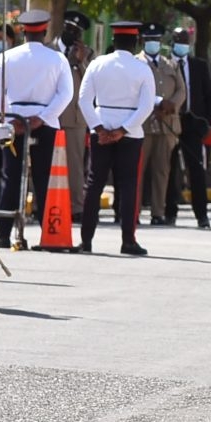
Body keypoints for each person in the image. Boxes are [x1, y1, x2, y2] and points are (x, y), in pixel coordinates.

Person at [0, 8, 73, 247]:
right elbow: (66, 93)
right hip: (45, 123)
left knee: (11, 177)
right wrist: (43, 117)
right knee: (45, 179)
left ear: (23, 31)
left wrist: (11, 117)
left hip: (15, 121)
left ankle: (3, 233)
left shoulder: (8, 56)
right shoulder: (57, 58)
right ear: (44, 32)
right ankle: (50, 233)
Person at [77, 19, 157, 257]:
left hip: (100, 129)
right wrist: (123, 129)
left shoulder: (97, 64)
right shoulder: (142, 68)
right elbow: (146, 106)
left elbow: (83, 100)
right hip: (130, 134)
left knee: (94, 186)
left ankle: (86, 240)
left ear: (113, 41)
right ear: (136, 43)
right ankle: (128, 241)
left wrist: (100, 128)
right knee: (129, 187)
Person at [139, 24, 182, 228]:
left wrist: (172, 104)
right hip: (143, 124)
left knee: (162, 171)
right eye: (149, 39)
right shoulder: (136, 63)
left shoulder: (170, 64)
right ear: (142, 41)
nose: (153, 43)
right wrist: (156, 103)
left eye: (156, 39)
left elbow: (182, 90)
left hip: (166, 125)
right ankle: (133, 211)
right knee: (138, 170)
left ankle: (158, 212)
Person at [171, 28, 211, 229]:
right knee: (169, 169)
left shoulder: (199, 66)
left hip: (192, 123)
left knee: (196, 168)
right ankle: (169, 212)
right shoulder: (165, 65)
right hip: (170, 122)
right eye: (178, 40)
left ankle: (201, 215)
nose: (182, 44)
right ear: (172, 42)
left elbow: (209, 96)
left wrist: (207, 123)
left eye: (185, 41)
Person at [57, 11, 92, 211]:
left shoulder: (87, 55)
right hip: (49, 116)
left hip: (75, 117)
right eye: (69, 28)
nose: (72, 33)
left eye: (76, 31)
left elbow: (93, 83)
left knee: (75, 165)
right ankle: (39, 205)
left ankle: (76, 206)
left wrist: (80, 61)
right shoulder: (50, 50)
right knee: (44, 162)